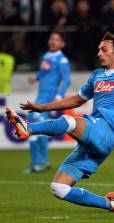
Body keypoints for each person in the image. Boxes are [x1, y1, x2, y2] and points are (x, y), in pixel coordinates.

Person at [5, 32, 114, 212]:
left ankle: (28, 128)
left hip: (106, 131)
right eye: (98, 50)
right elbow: (76, 100)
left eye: (104, 50)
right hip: (92, 140)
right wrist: (42, 108)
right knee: (59, 188)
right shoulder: (96, 75)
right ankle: (113, 204)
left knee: (69, 121)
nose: (99, 54)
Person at [25, 30, 71, 173]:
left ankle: (42, 162)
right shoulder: (46, 56)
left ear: (62, 43)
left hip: (49, 100)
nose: (53, 41)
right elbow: (44, 73)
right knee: (31, 127)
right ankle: (35, 163)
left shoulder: (62, 60)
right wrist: (36, 77)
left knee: (38, 127)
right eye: (51, 38)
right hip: (40, 98)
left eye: (57, 39)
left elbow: (66, 79)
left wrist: (59, 96)